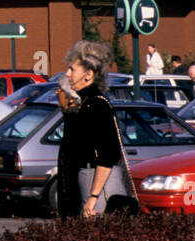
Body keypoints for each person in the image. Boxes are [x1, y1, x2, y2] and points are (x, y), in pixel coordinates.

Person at [55, 40, 137, 219]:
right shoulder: (83, 105)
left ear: (88, 75)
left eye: (72, 69)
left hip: (100, 185)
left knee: (101, 236)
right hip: (87, 178)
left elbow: (107, 155)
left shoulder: (98, 105)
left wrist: (93, 197)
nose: (67, 74)